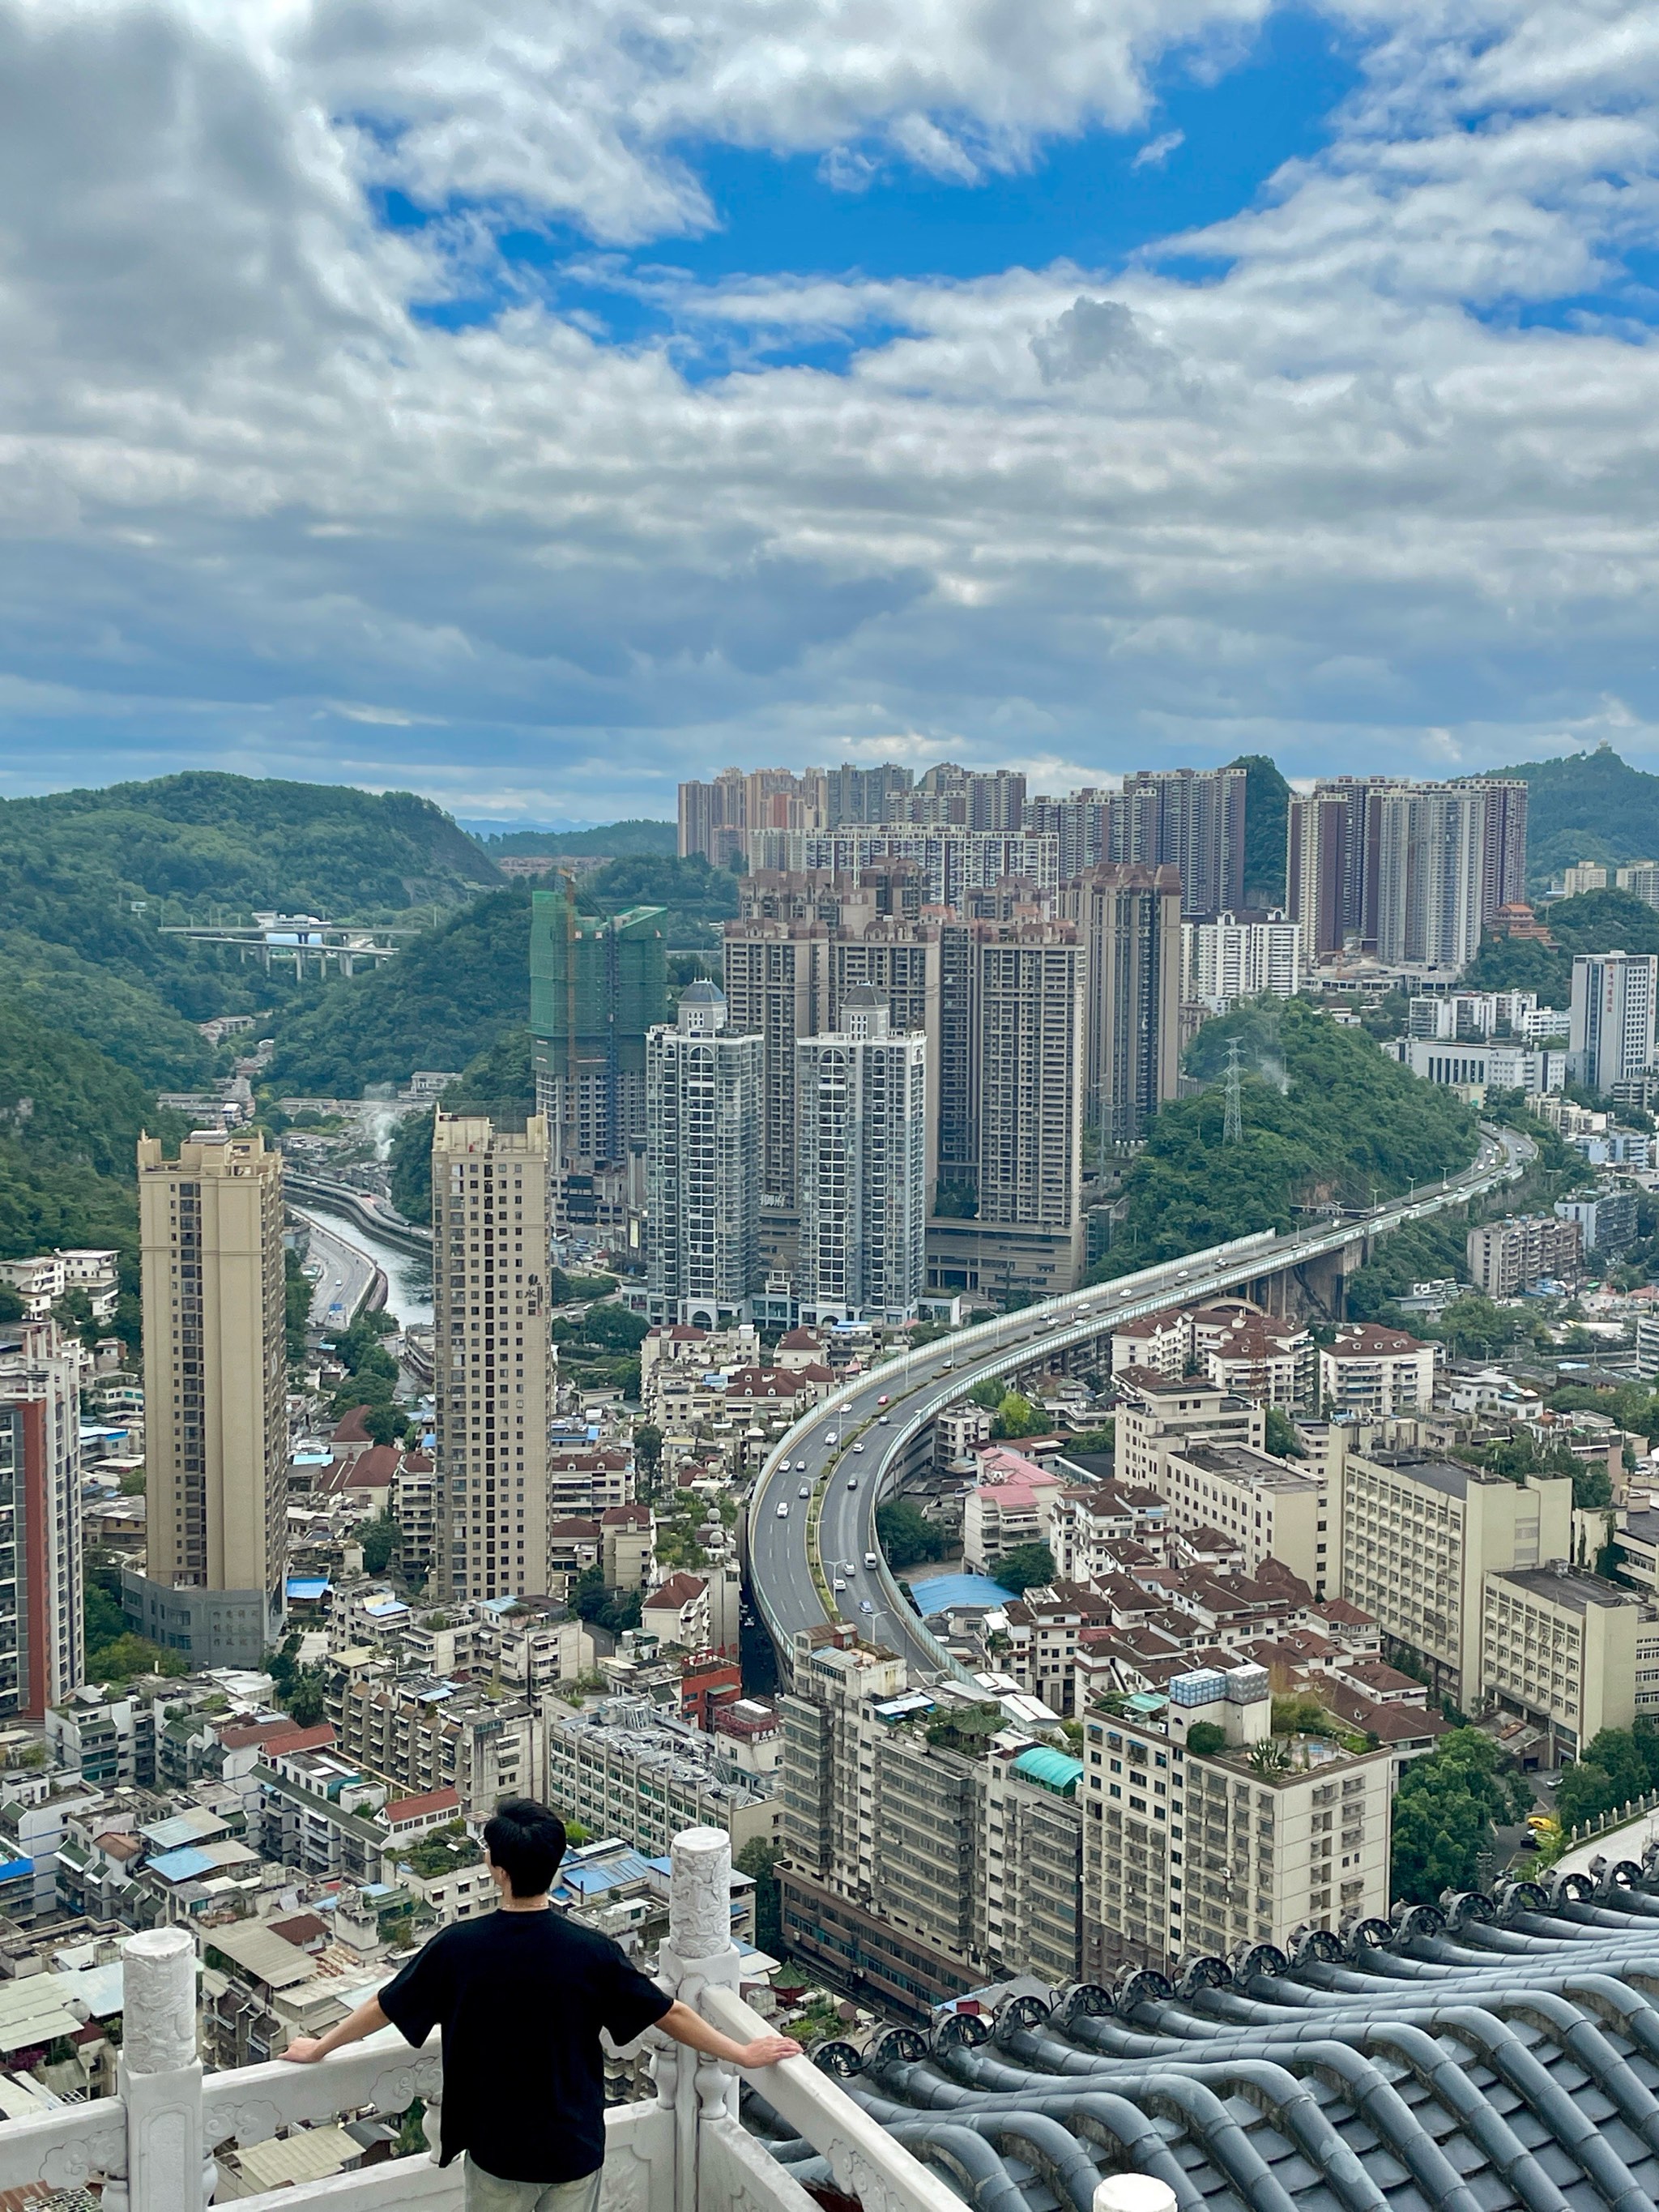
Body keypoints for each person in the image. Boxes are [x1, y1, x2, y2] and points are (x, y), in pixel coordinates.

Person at [282, 1798, 800, 2211]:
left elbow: (387, 2005)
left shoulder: (460, 1947)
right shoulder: (591, 1951)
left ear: (496, 1867)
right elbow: (672, 2014)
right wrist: (743, 2054)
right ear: (555, 1866)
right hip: (572, 2146)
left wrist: (320, 2047)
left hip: (497, 2151)